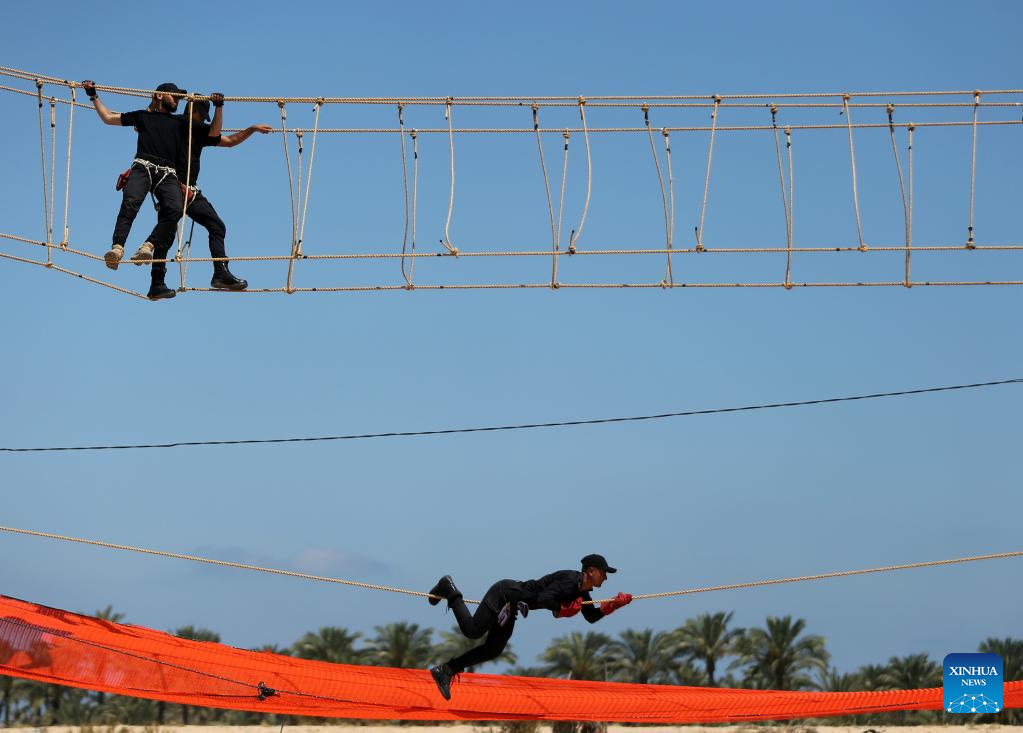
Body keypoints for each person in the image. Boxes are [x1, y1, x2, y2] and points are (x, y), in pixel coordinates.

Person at [426, 553, 633, 701]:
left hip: (511, 605)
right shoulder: (570, 581)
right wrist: (562, 608)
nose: (606, 577)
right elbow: (544, 599)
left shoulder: (581, 591)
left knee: (493, 649)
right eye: (604, 573)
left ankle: (446, 670)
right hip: (504, 594)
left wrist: (613, 605)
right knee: (472, 630)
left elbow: (591, 617)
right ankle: (449, 589)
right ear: (591, 571)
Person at [82, 80, 190, 300]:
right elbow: (108, 118)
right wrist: (93, 95)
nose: (177, 100)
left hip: (168, 172)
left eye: (180, 98)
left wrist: (215, 104)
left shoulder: (181, 123)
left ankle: (148, 245)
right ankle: (117, 248)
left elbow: (211, 131)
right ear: (159, 96)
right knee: (130, 203)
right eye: (174, 96)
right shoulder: (143, 117)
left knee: (176, 208)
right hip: (143, 165)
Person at [162, 94, 273, 292]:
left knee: (217, 226)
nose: (203, 122)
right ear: (195, 111)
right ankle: (157, 281)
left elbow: (229, 141)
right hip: (172, 186)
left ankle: (220, 273)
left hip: (190, 191)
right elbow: (215, 132)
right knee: (166, 232)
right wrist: (219, 106)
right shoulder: (173, 124)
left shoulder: (197, 133)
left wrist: (252, 129)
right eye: (202, 117)